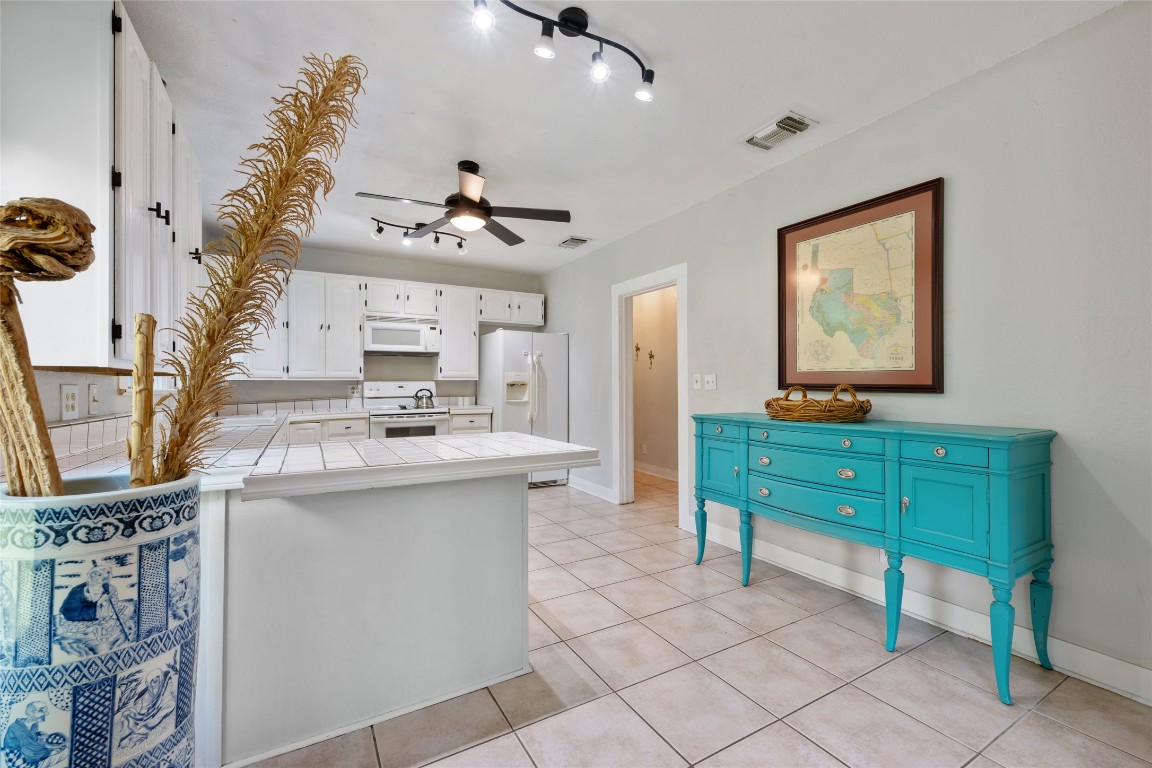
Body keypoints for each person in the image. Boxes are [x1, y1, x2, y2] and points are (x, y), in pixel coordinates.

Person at [56, 565, 131, 655]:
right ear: (92, 577)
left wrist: (110, 599)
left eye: (107, 575)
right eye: (99, 575)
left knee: (127, 607)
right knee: (106, 609)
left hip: (95, 610)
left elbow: (114, 599)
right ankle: (103, 625)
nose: (105, 578)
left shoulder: (108, 587)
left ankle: (107, 621)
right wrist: (103, 600)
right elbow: (76, 607)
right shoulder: (83, 589)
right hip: (76, 612)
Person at [116, 669, 176, 749]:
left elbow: (167, 700)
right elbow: (140, 709)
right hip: (145, 715)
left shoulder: (165, 688)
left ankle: (139, 733)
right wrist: (141, 709)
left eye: (157, 679)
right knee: (128, 713)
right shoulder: (147, 694)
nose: (155, 682)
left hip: (159, 711)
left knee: (171, 704)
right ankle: (124, 740)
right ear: (149, 684)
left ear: (161, 679)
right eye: (152, 681)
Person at [2, 701, 67, 768]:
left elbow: (33, 742)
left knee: (62, 751)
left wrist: (48, 745)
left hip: (28, 758)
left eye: (46, 710)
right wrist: (49, 751)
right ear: (31, 713)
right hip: (17, 762)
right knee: (64, 753)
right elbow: (29, 752)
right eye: (41, 710)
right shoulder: (16, 728)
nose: (46, 713)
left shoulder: (34, 725)